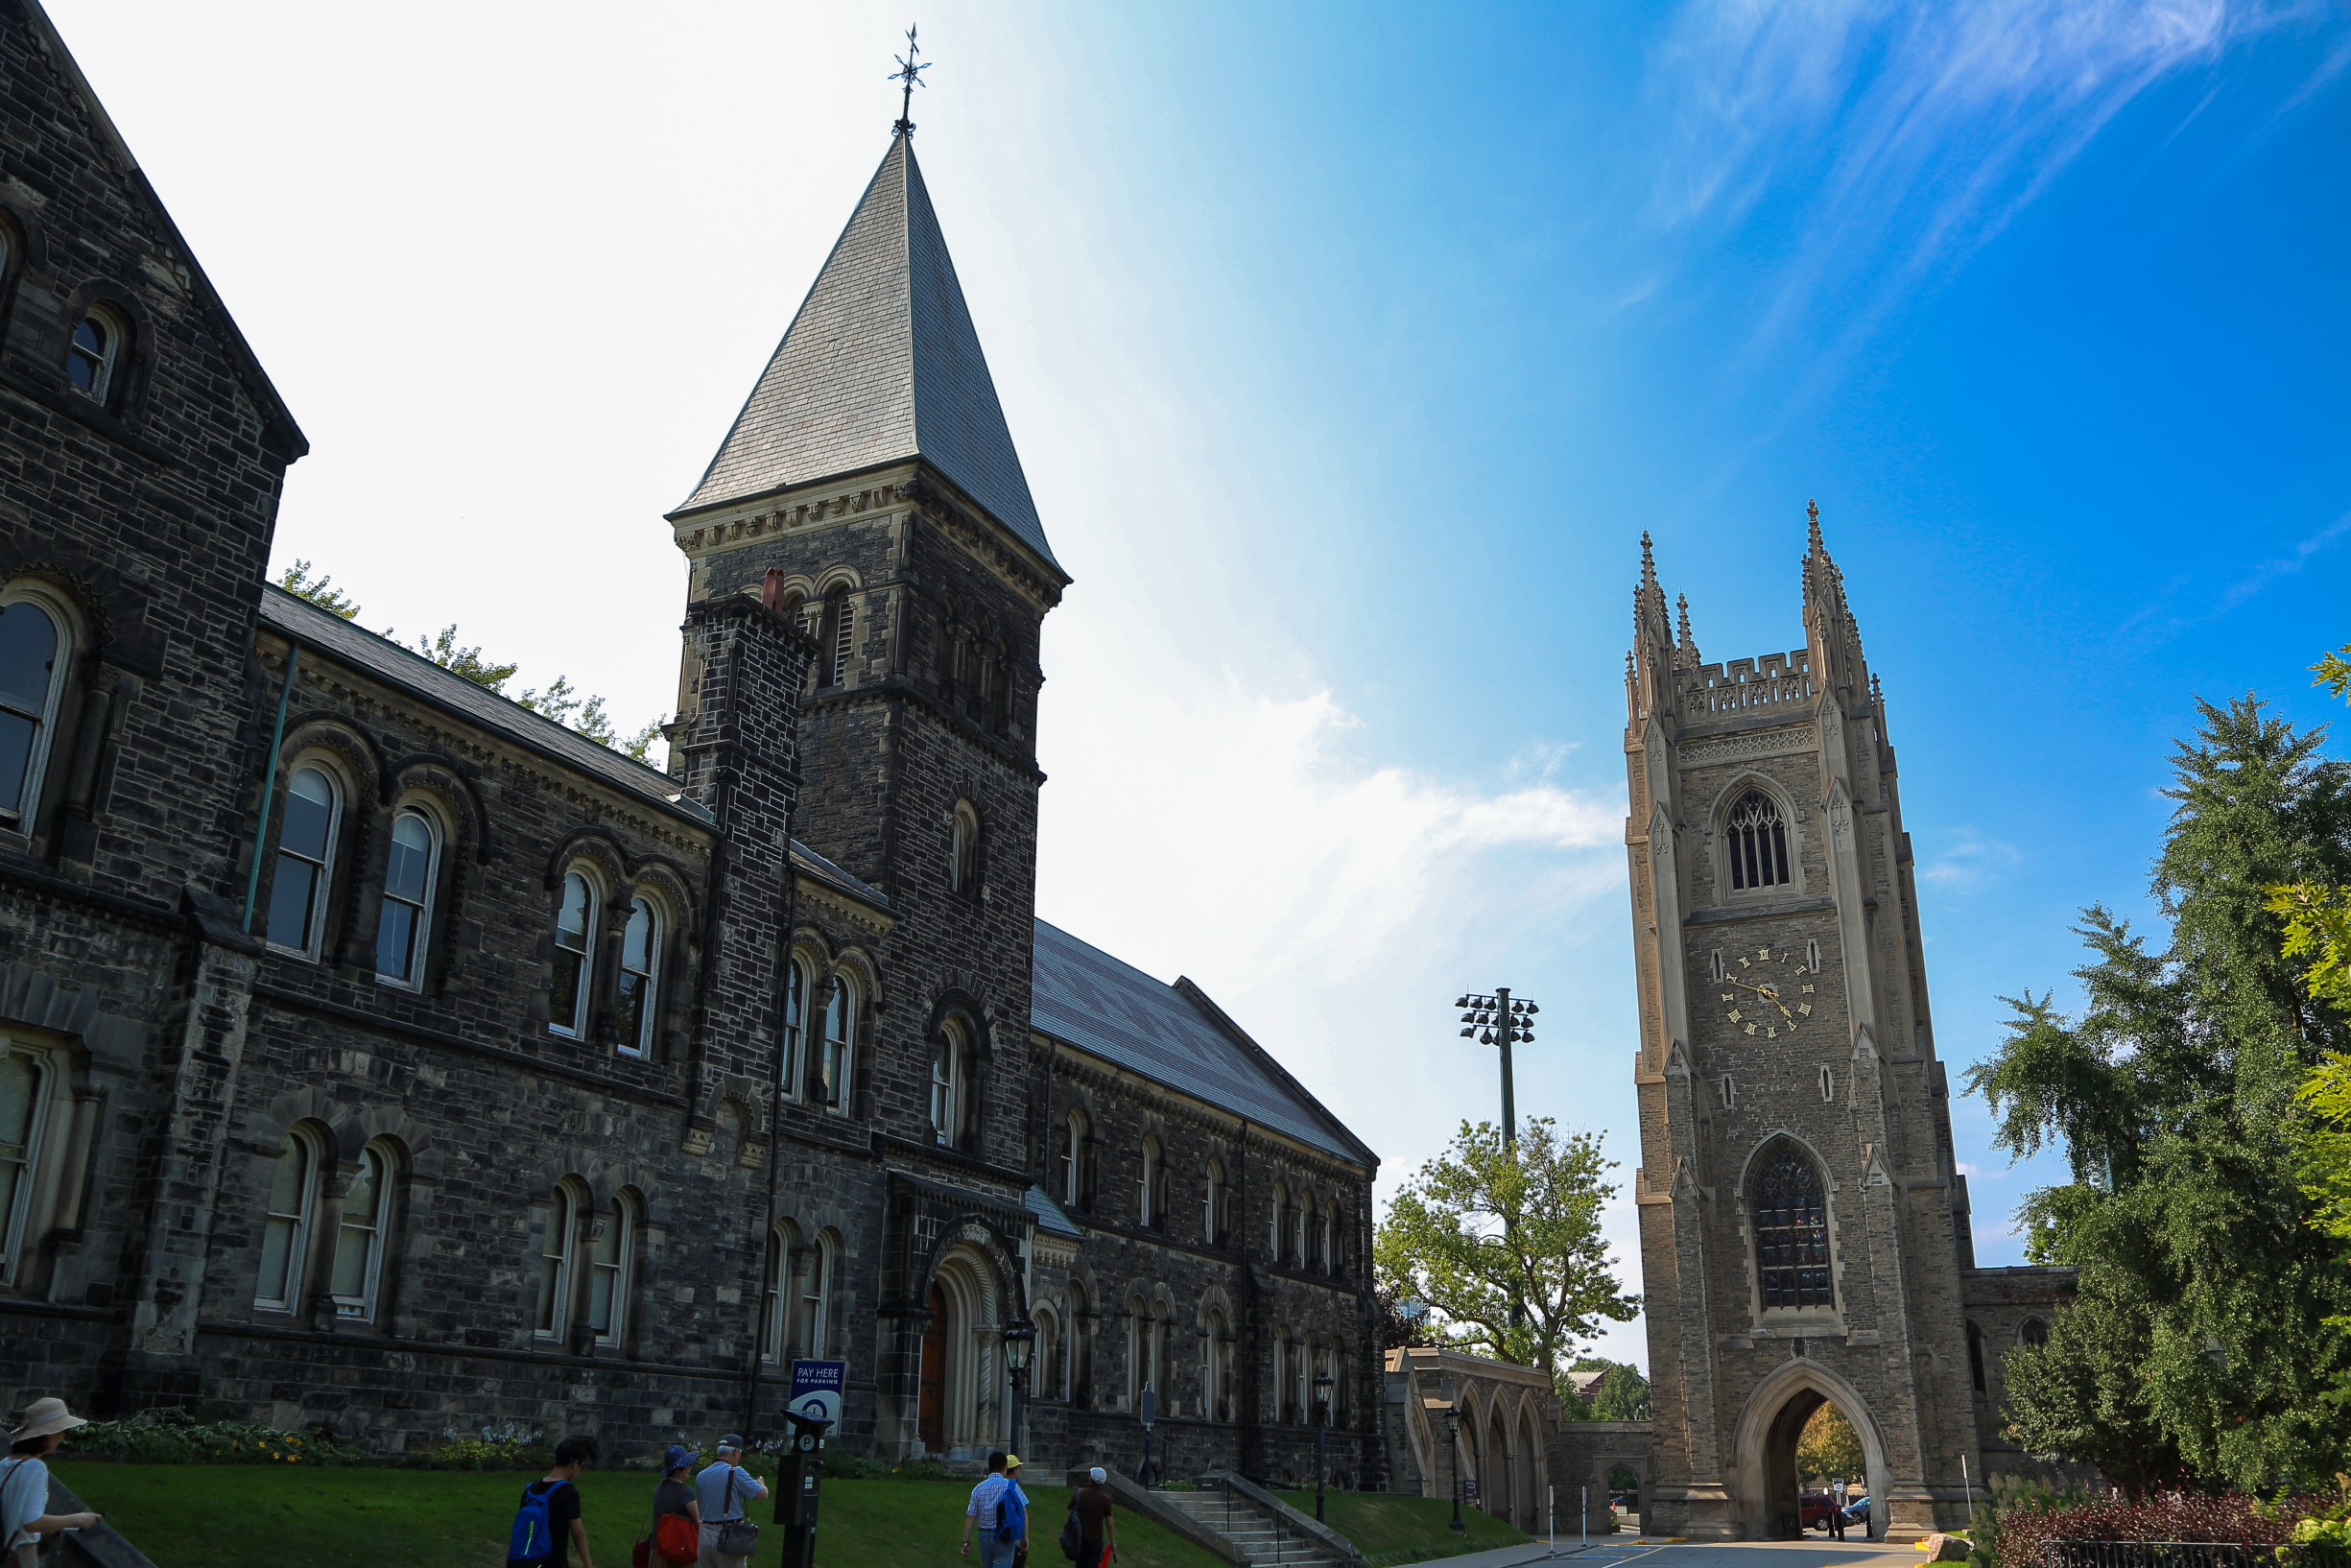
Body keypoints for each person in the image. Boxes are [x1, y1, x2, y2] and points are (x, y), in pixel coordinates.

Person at [2, 1397, 102, 1564]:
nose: (63, 1435)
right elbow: (32, 1523)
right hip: (19, 1557)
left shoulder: (5, 1464)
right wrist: (78, 1519)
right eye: (62, 1430)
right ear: (48, 1434)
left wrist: (50, 1526)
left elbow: (14, 1513)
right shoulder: (35, 1468)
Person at [508, 1435, 597, 1568]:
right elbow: (578, 1534)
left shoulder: (531, 1489)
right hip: (551, 1561)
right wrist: (588, 1565)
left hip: (523, 1560)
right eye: (581, 1466)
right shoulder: (567, 1492)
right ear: (575, 1464)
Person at [693, 1435, 769, 1568]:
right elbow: (763, 1495)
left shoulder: (701, 1475)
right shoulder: (736, 1472)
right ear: (735, 1452)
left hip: (704, 1533)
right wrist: (761, 1483)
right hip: (728, 1534)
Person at [960, 1451, 1026, 1567]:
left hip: (984, 1535)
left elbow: (971, 1517)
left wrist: (966, 1543)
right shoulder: (1011, 1485)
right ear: (1005, 1468)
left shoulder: (978, 1488)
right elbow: (1022, 1510)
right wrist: (1024, 1537)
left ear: (989, 1468)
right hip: (1003, 1535)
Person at [649, 1445, 701, 1565]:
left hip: (657, 1548)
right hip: (677, 1551)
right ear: (678, 1469)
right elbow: (697, 1521)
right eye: (688, 1464)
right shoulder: (686, 1491)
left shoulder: (659, 1488)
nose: (689, 1467)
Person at [1075, 1465, 1117, 1568]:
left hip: (1079, 1539)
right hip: (1095, 1541)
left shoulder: (1079, 1494)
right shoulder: (1106, 1499)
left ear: (1090, 1479)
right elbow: (1110, 1524)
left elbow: (1070, 1516)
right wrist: (1112, 1542)